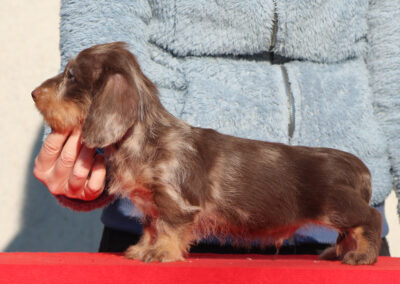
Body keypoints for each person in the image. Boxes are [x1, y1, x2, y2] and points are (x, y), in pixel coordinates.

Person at [34, 0, 399, 256]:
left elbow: (392, 68)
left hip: (339, 232)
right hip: (158, 241)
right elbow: (102, 28)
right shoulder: (116, 89)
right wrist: (94, 167)